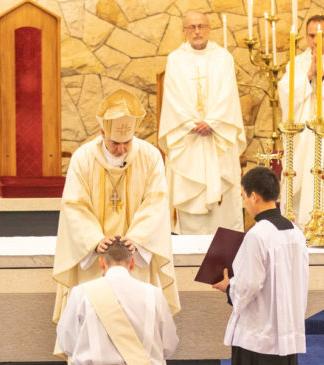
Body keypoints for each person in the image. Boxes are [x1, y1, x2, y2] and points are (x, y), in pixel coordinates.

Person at [52, 89, 180, 355]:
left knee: (140, 335)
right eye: (114, 143)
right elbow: (73, 205)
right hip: (96, 260)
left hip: (134, 257)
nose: (121, 149)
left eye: (127, 142)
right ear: (102, 133)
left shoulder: (150, 156)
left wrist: (139, 238)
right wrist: (95, 240)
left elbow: (157, 201)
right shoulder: (83, 158)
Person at [158, 10, 246, 235]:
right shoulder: (175, 60)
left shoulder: (223, 57)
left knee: (223, 204)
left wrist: (213, 122)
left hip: (218, 138)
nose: (197, 31)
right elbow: (172, 98)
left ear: (208, 29)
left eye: (201, 26)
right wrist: (190, 124)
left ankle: (225, 255)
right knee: (191, 196)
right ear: (184, 31)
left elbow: (229, 95)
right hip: (190, 139)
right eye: (192, 27)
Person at [213, 167, 309, 365]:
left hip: (258, 338)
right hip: (287, 334)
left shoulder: (258, 235)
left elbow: (248, 286)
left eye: (244, 196)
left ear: (254, 196)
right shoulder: (296, 233)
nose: (245, 202)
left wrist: (228, 288)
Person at [57, 236, 179, 365]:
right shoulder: (154, 294)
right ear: (132, 263)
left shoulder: (81, 292)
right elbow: (168, 344)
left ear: (101, 263)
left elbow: (67, 343)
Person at [278, 15, 324, 228]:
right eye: (312, 35)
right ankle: (306, 226)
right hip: (305, 136)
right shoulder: (297, 64)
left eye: (321, 35)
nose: (316, 40)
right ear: (306, 36)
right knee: (304, 176)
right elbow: (285, 93)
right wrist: (310, 74)